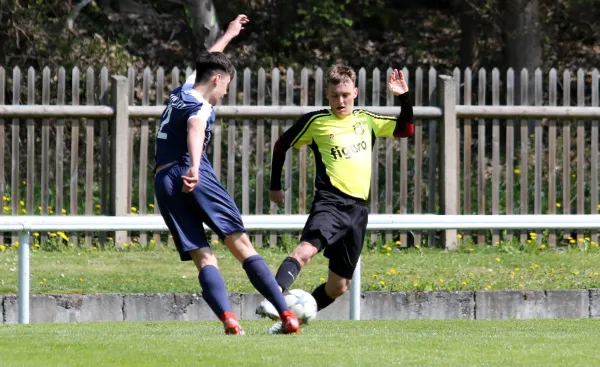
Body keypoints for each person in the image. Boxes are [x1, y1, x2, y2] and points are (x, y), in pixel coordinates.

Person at [154, 14, 299, 335]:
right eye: (227, 86)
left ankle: (228, 319)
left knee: (203, 257)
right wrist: (193, 165)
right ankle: (287, 314)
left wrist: (230, 35)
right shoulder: (202, 106)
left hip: (163, 180)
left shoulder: (183, 89)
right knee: (241, 245)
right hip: (191, 171)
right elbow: (195, 127)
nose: (225, 94)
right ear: (217, 80)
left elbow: (208, 61)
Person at [257, 64, 414, 331]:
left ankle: (290, 321)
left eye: (344, 95)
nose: (340, 101)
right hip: (330, 202)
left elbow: (406, 130)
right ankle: (273, 301)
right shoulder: (316, 121)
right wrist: (275, 186)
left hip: (358, 211)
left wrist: (404, 98)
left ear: (355, 92)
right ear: (327, 95)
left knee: (338, 286)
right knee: (305, 250)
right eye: (333, 96)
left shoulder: (367, 119)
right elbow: (280, 145)